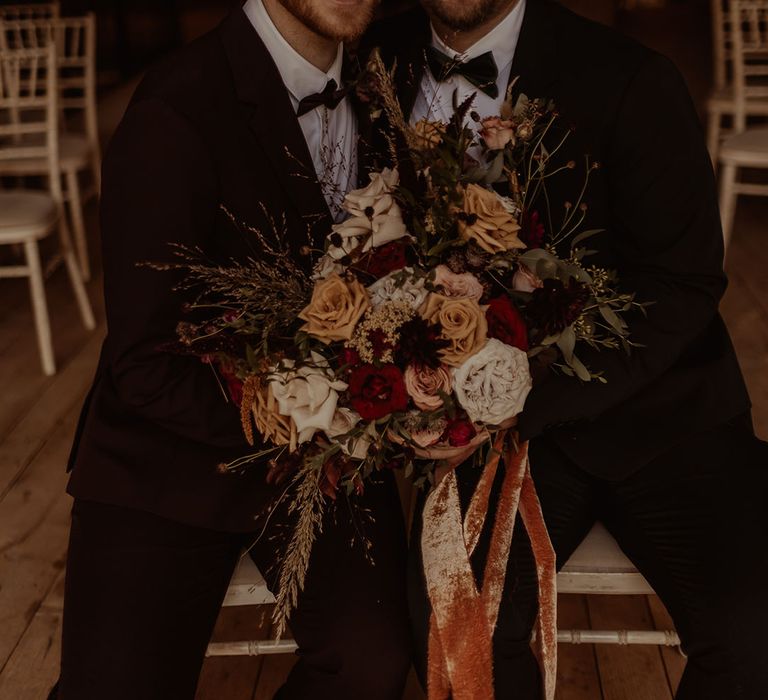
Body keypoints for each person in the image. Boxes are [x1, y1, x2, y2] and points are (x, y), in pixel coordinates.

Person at [367, 0, 768, 697]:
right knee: (459, 630)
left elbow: (684, 282)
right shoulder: (366, 70)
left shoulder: (632, 77)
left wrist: (523, 399)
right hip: (486, 437)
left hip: (661, 407)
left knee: (757, 633)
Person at [50, 1, 411, 698]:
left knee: (372, 661)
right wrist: (306, 422)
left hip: (324, 462)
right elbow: (144, 361)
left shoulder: (385, 83)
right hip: (172, 452)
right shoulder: (174, 108)